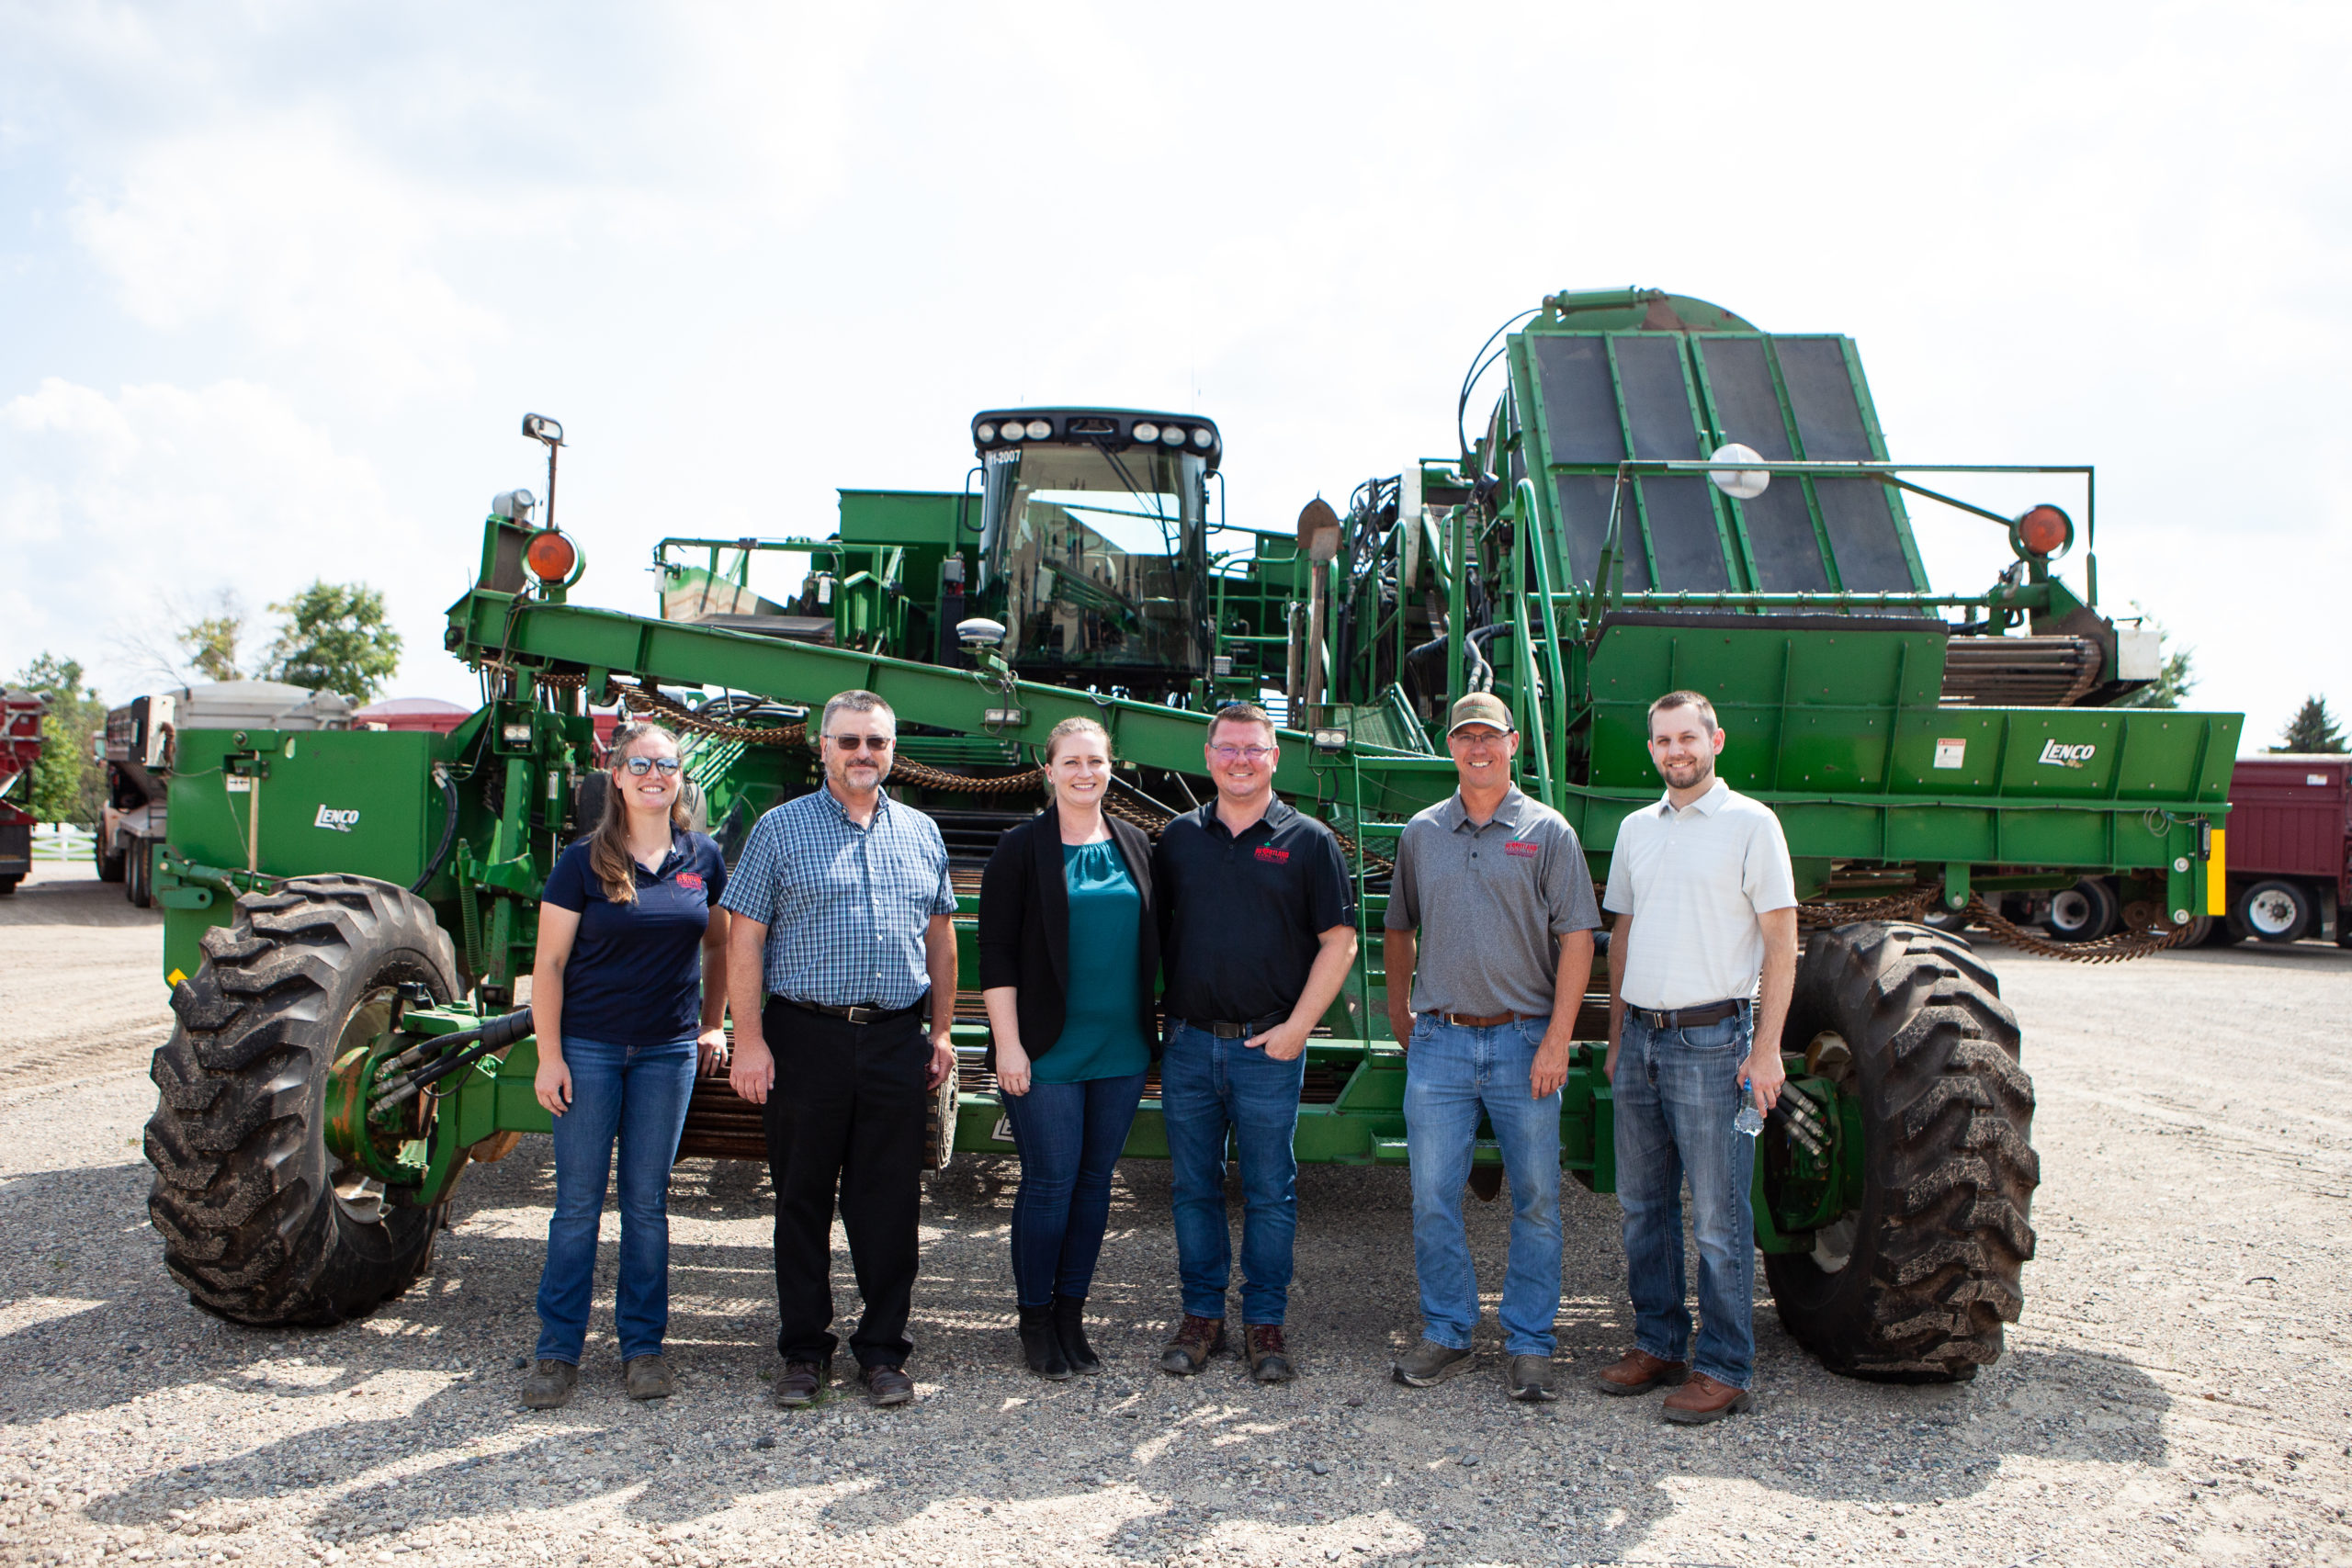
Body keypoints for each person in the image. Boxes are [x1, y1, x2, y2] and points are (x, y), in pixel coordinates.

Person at [722, 690, 957, 1410]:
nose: (863, 754)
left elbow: (940, 937)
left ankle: (884, 1353)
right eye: (849, 741)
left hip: (894, 1040)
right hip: (804, 1038)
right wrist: (751, 1039)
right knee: (801, 1201)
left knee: (889, 1207)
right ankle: (802, 1353)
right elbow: (745, 936)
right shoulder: (779, 829)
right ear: (821, 746)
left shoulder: (920, 832)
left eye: (876, 742)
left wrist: (941, 1031)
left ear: (892, 751)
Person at [1383, 693, 1599, 1404]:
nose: (1478, 748)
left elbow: (1576, 939)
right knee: (1431, 1196)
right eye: (1464, 737)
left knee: (1536, 1198)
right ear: (1450, 746)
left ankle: (1531, 1342)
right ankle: (1447, 1330)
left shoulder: (1548, 831)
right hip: (1440, 1040)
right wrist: (1398, 1010)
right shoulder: (1422, 832)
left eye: (1490, 737)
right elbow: (1398, 927)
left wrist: (1559, 1039)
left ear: (1513, 743)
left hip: (1524, 1039)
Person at [1597, 690, 1798, 1424]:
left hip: (1715, 1041)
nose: (1676, 751)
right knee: (1642, 1208)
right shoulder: (1634, 829)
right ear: (1650, 748)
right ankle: (1659, 1342)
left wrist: (1767, 1047)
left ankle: (1725, 1363)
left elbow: (1781, 940)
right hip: (1643, 1038)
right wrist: (1619, 1036)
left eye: (1688, 737)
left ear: (1716, 738)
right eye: (1663, 741)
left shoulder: (1752, 824)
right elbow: (1622, 935)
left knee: (1717, 1215)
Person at [521, 720, 731, 1411]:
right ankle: (557, 1351)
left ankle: (643, 1347)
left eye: (665, 764)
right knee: (577, 1206)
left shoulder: (704, 855)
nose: (652, 775)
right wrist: (549, 1056)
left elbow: (720, 950)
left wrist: (710, 1025)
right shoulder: (581, 862)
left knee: (647, 1206)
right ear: (615, 775)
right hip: (589, 1049)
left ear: (680, 777)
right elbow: (548, 965)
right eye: (639, 763)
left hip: (666, 1054)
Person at [1151, 702, 1357, 1382]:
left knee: (1271, 1190)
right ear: (1208, 757)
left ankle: (1265, 1322)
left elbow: (1339, 940)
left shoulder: (1309, 842)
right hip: (1188, 1043)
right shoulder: (1177, 839)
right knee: (1193, 1188)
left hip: (1267, 1049)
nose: (1241, 760)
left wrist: (1297, 1028)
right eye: (1229, 748)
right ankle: (1200, 1316)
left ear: (1276, 757)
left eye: (1254, 749)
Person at [978, 716, 1159, 1380]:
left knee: (1092, 1186)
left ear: (1113, 768)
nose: (1085, 772)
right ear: (1047, 769)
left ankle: (1071, 1316)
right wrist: (1009, 1046)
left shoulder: (1138, 844)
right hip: (1047, 1047)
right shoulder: (1021, 847)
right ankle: (1034, 1318)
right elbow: (993, 951)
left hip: (1121, 1045)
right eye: (1072, 761)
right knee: (1050, 1183)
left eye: (1097, 761)